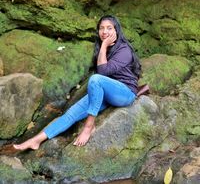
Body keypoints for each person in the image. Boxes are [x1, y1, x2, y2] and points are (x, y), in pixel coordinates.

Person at [13, 15, 141, 151]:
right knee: (71, 113)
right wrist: (103, 46)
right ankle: (36, 140)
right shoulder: (104, 48)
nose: (105, 32)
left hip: (125, 93)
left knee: (95, 79)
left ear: (117, 30)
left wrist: (103, 45)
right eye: (101, 28)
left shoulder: (124, 49)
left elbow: (102, 73)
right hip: (106, 92)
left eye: (109, 28)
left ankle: (89, 126)